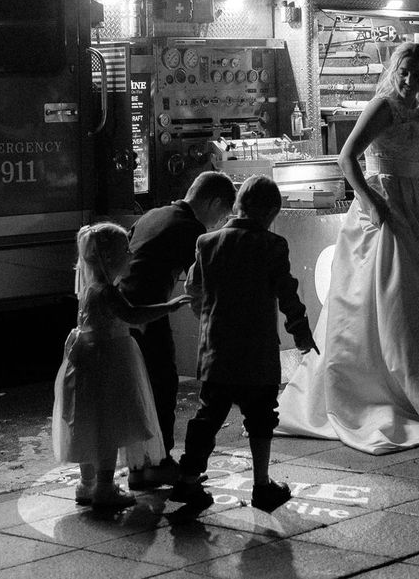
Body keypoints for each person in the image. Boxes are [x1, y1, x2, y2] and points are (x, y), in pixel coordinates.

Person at [277, 43, 419, 452]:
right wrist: (372, 200)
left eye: (418, 73)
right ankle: (389, 386)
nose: (411, 79)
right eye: (405, 71)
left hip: (417, 203)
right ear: (395, 69)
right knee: (392, 292)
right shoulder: (383, 105)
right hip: (387, 204)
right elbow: (347, 157)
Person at [171, 176, 315, 513]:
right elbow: (288, 294)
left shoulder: (206, 243)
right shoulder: (273, 245)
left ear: (238, 205)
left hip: (216, 350)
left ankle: (189, 480)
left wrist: (207, 318)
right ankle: (262, 485)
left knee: (207, 416)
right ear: (270, 213)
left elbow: (193, 288)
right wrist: (301, 333)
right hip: (257, 353)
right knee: (261, 416)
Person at [51, 222, 192, 510]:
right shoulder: (107, 291)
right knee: (111, 424)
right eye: (126, 250)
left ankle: (86, 484)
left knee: (88, 425)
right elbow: (133, 315)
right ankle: (104, 487)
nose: (131, 254)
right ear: (111, 258)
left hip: (87, 362)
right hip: (110, 363)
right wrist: (170, 306)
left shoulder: (89, 290)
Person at [118, 171, 236, 490]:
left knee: (138, 390)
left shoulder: (153, 215)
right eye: (222, 215)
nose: (218, 224)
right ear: (212, 203)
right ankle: (159, 463)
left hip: (119, 307)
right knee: (162, 383)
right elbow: (202, 281)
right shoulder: (190, 228)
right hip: (146, 312)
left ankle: (138, 466)